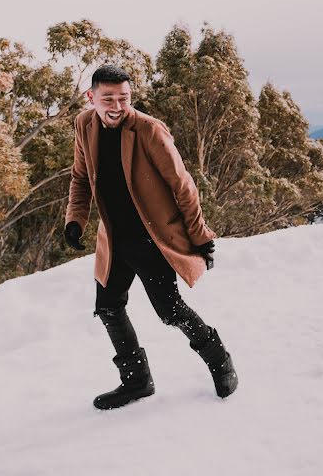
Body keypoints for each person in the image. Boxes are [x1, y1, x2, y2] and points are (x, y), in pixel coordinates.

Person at [64, 65, 238, 409]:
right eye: (108, 99)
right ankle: (137, 381)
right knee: (109, 308)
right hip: (113, 238)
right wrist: (75, 220)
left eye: (124, 98)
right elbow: (80, 178)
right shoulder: (84, 125)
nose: (116, 106)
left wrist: (200, 236)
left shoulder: (148, 131)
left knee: (170, 310)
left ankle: (219, 359)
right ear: (91, 98)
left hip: (151, 237)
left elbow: (182, 186)